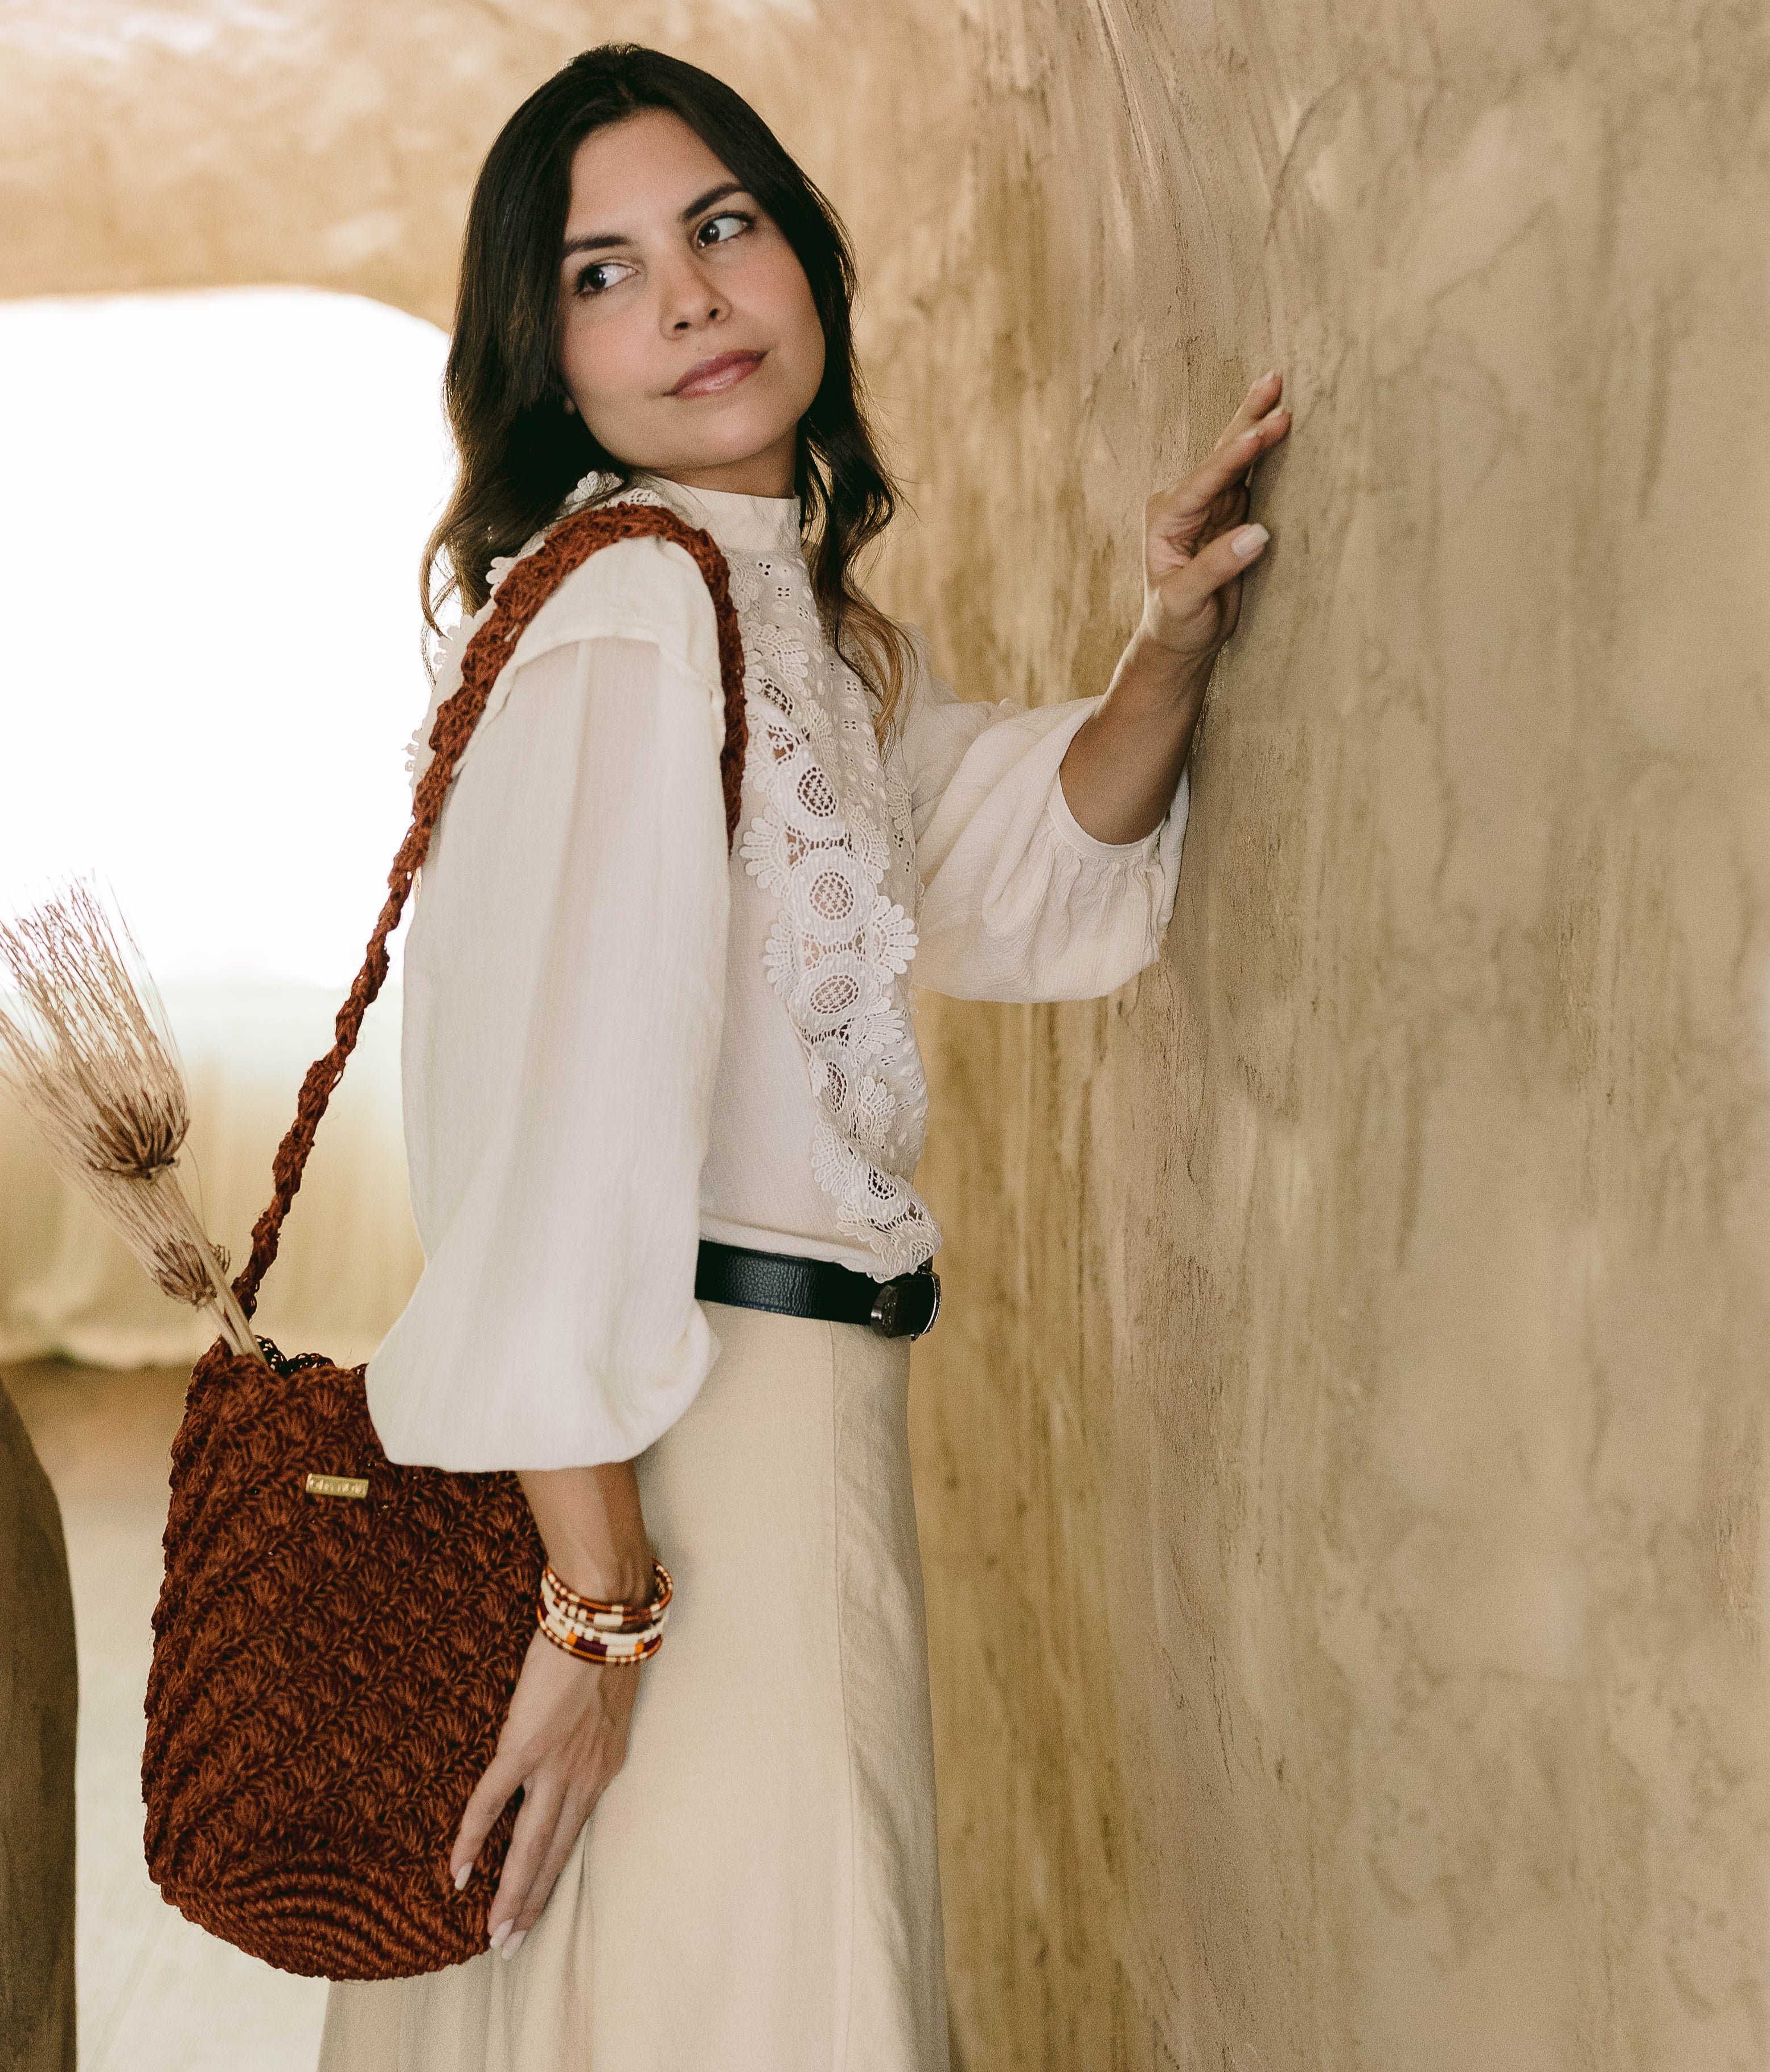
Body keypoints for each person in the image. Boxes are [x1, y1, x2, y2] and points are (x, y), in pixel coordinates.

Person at [318, 42, 1289, 2072]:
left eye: (721, 229)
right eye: (601, 274)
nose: (684, 300)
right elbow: (538, 1137)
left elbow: (1017, 860)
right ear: (542, 357)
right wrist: (597, 1616)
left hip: (772, 1437)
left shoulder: (801, 627)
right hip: (677, 1468)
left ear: (802, 264)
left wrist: (1176, 635)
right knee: (741, 2001)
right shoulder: (631, 620)